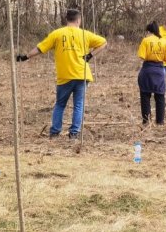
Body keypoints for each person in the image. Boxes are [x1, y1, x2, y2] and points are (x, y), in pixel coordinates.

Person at [16, 9, 107, 140]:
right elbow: (103, 42)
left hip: (65, 76)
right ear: (78, 20)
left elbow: (40, 48)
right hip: (82, 74)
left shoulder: (57, 34)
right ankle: (74, 133)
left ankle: (55, 133)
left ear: (66, 19)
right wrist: (90, 55)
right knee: (79, 104)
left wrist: (25, 57)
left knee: (60, 104)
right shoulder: (84, 34)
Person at [138, 21, 166, 125]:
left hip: (147, 69)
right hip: (159, 70)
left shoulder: (145, 41)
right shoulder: (164, 42)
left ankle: (146, 121)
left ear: (148, 31)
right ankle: (160, 121)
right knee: (160, 96)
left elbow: (141, 56)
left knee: (145, 96)